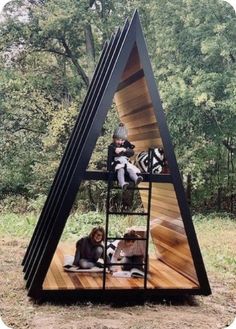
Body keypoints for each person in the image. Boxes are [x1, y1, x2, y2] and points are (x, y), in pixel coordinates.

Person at [109, 122, 143, 189]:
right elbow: (111, 151)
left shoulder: (126, 145)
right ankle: (122, 183)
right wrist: (115, 149)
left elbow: (132, 152)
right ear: (114, 139)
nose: (120, 142)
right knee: (121, 170)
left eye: (122, 140)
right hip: (117, 163)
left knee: (130, 170)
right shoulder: (112, 145)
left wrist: (125, 150)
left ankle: (136, 179)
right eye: (118, 140)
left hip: (125, 163)